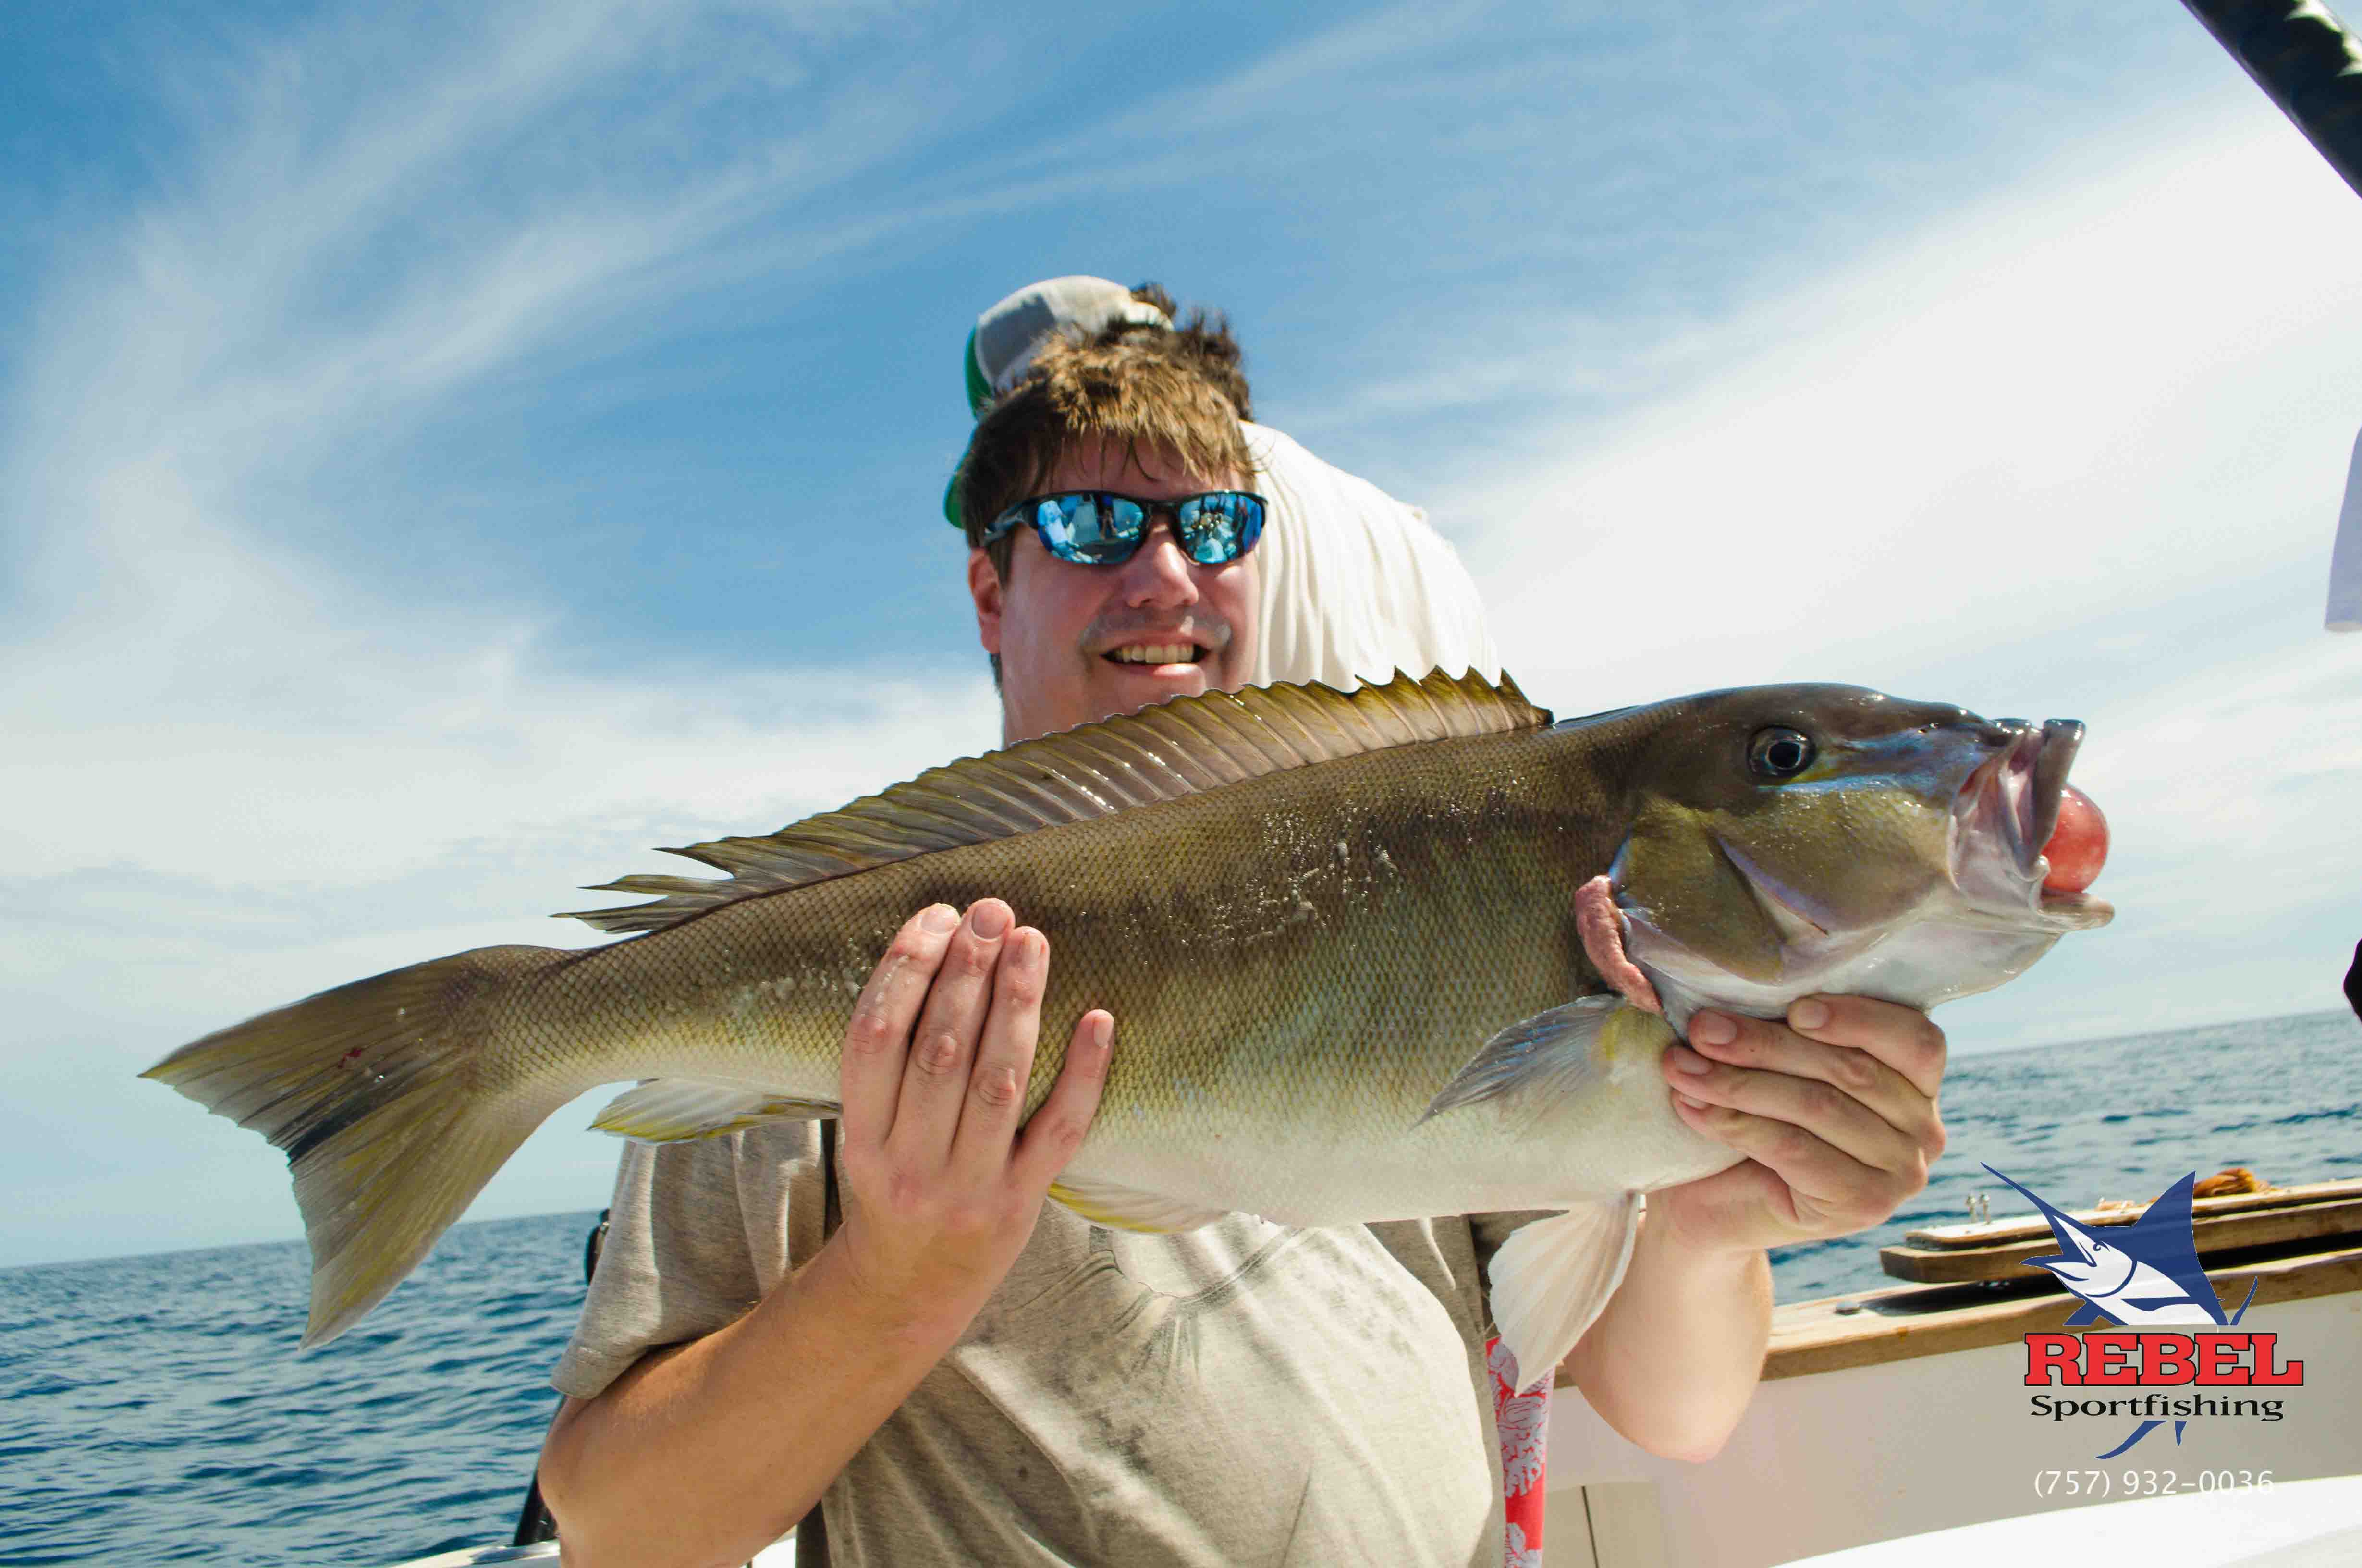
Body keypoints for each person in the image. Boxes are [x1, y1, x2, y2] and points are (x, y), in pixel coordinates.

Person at [538, 287, 1950, 1568]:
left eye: (1214, 528)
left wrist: (1710, 1222)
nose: (1164, 577)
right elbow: (619, 1531)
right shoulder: (842, 970)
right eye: (1093, 527)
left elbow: (1674, 1410)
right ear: (989, 590)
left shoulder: (1433, 874)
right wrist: (894, 1280)